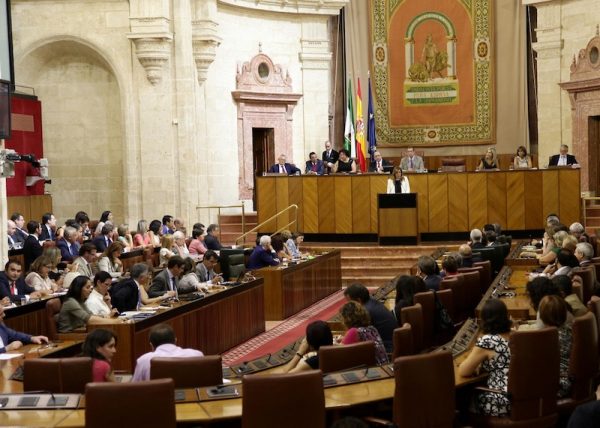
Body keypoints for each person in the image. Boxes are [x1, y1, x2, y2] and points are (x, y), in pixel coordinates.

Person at [458, 299, 511, 416]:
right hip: (522, 397)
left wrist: (478, 363)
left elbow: (463, 371)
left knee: (462, 397)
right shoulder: (516, 335)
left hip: (501, 400)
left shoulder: (488, 341)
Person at [132, 323, 204, 381]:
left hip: (157, 398)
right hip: (192, 398)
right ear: (175, 340)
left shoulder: (143, 360)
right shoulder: (197, 355)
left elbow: (135, 388)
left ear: (151, 345)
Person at [57, 276, 124, 332]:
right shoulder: (70, 302)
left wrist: (108, 317)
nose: (90, 290)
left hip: (79, 330)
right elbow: (89, 320)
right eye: (87, 287)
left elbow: (91, 315)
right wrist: (114, 322)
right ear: (79, 288)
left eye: (91, 287)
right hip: (69, 335)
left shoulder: (80, 300)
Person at [343, 283, 397, 353]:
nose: (348, 305)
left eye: (349, 302)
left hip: (387, 350)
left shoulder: (365, 312)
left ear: (358, 300)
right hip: (391, 345)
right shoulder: (372, 303)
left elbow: (358, 336)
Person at [538, 295, 573, 398]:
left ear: (542, 316)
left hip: (558, 385)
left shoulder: (548, 338)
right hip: (572, 380)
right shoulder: (571, 329)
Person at [339, 301, 389, 365]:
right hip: (384, 368)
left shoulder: (353, 331)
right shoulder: (372, 329)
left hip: (370, 371)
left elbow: (338, 353)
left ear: (347, 319)